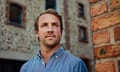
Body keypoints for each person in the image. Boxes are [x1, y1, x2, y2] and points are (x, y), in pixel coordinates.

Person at [20, 9, 88, 72]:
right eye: (45, 25)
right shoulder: (25, 68)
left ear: (61, 32)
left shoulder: (76, 65)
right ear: (37, 32)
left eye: (55, 25)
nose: (50, 30)